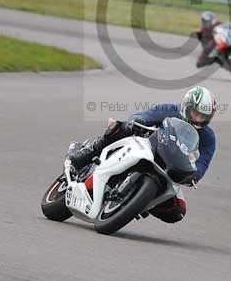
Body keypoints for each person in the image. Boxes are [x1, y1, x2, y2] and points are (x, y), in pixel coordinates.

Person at [68, 86, 218, 223]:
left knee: (177, 211)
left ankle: (139, 202)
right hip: (147, 147)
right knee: (121, 127)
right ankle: (90, 151)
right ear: (187, 106)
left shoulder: (208, 138)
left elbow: (202, 163)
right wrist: (138, 121)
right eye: (196, 113)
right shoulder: (170, 110)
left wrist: (194, 175)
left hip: (169, 169)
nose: (198, 119)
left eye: (203, 116)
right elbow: (147, 115)